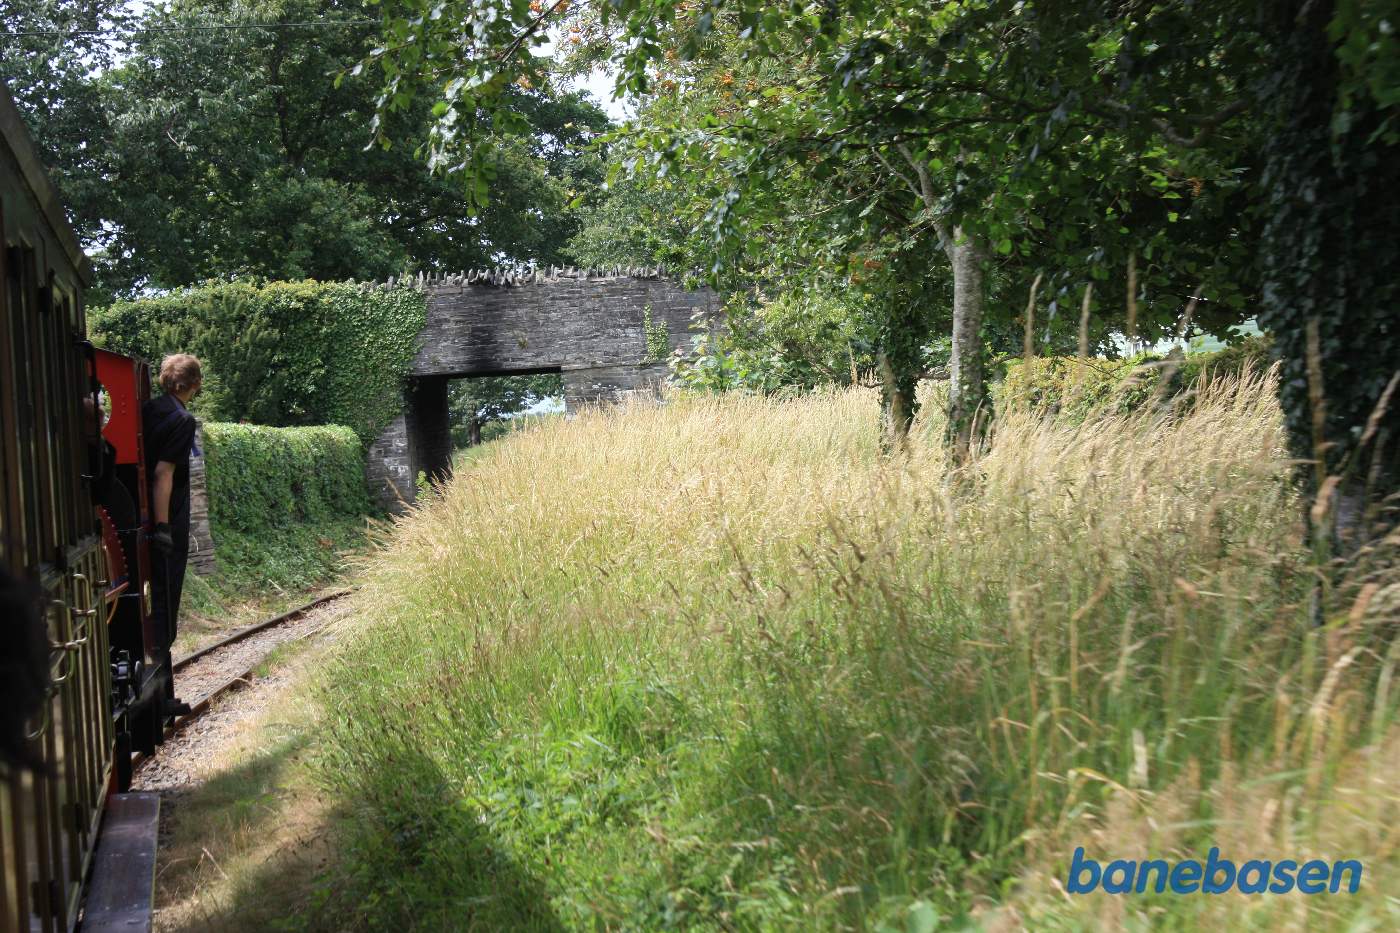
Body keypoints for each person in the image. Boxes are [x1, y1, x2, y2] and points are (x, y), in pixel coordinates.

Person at [142, 353, 201, 652]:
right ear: (195, 383)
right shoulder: (183, 420)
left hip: (141, 512)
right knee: (167, 587)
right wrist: (164, 527)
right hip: (168, 514)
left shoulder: (151, 408)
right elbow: (163, 474)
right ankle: (160, 651)